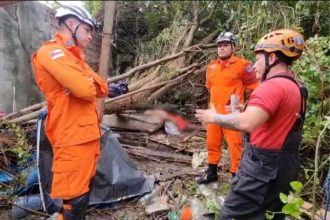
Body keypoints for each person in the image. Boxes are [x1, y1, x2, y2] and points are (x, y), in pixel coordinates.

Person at [195, 29, 307, 219]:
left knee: (231, 215)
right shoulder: (296, 86)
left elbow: (247, 122)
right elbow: (268, 115)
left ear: (271, 58)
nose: (254, 65)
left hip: (262, 170)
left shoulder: (270, 86)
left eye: (258, 59)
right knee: (269, 213)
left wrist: (213, 117)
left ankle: (233, 175)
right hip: (283, 165)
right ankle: (212, 170)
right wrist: (245, 107)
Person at [31, 5, 108, 220]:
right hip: (71, 137)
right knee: (73, 201)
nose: (91, 36)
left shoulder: (75, 57)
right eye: (87, 30)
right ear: (72, 24)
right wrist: (82, 85)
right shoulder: (50, 52)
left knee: (83, 194)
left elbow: (101, 88)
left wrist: (82, 84)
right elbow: (86, 89)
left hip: (88, 135)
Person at [197, 31, 259, 184]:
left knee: (235, 145)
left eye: (225, 45)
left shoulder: (243, 65)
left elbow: (256, 88)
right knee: (212, 143)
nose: (221, 48)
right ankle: (212, 172)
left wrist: (244, 106)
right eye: (219, 45)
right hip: (213, 113)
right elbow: (211, 88)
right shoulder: (211, 67)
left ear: (233, 47)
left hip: (232, 114)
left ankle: (235, 176)